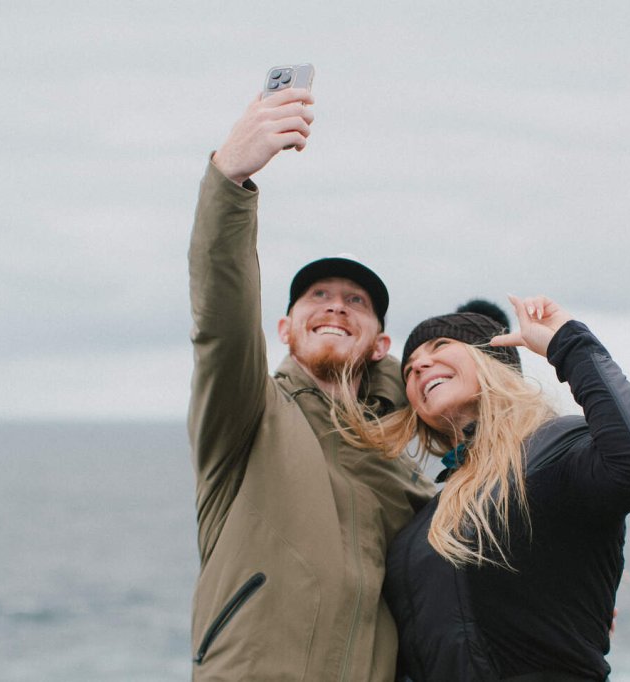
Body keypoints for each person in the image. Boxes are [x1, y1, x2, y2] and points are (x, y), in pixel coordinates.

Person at [187, 86, 433, 679]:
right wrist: (230, 180)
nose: (335, 307)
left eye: (356, 302)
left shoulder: (402, 462)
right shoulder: (248, 414)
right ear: (285, 328)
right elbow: (221, 323)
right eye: (316, 297)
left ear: (380, 343)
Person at [343, 296, 630, 681]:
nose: (418, 364)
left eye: (440, 347)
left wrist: (569, 344)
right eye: (408, 370)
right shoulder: (420, 527)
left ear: (493, 361)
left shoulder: (554, 449)